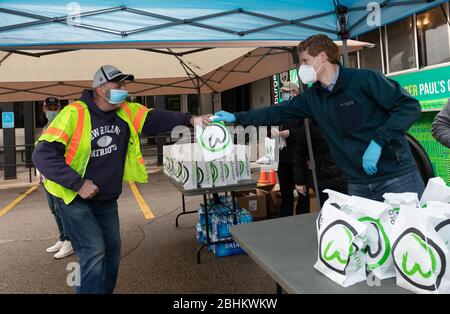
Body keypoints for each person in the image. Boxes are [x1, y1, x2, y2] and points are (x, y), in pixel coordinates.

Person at [32, 65, 210, 294]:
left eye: (125, 85)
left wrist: (191, 119)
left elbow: (154, 117)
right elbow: (42, 154)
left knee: (113, 252)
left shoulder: (125, 111)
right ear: (101, 89)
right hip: (73, 198)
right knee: (94, 250)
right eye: (119, 85)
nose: (124, 90)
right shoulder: (73, 114)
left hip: (106, 198)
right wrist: (77, 184)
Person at [213, 34, 425, 202]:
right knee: (370, 249)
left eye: (305, 61)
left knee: (412, 246)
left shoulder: (365, 80)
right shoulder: (313, 97)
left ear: (322, 58)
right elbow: (277, 111)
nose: (301, 67)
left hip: (396, 178)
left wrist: (379, 141)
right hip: (358, 184)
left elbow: (409, 106)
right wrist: (237, 117)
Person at [39, 97, 74, 259]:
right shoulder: (46, 126)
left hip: (58, 174)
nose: (52, 110)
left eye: (55, 107)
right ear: (44, 109)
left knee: (62, 210)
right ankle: (62, 238)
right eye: (49, 107)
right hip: (47, 176)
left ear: (59, 109)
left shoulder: (63, 125)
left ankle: (69, 240)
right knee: (54, 210)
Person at [294, 119, 348, 210]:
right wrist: (299, 181)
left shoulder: (339, 121)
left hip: (343, 174)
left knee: (346, 210)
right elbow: (299, 155)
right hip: (322, 177)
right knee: (328, 211)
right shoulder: (308, 127)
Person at [275, 81, 304, 217]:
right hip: (283, 159)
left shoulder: (302, 110)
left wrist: (290, 133)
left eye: (286, 92)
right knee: (286, 195)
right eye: (282, 92)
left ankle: (302, 220)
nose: (283, 94)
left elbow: (307, 133)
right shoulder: (283, 109)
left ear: (294, 92)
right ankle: (284, 221)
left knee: (302, 194)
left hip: (298, 159)